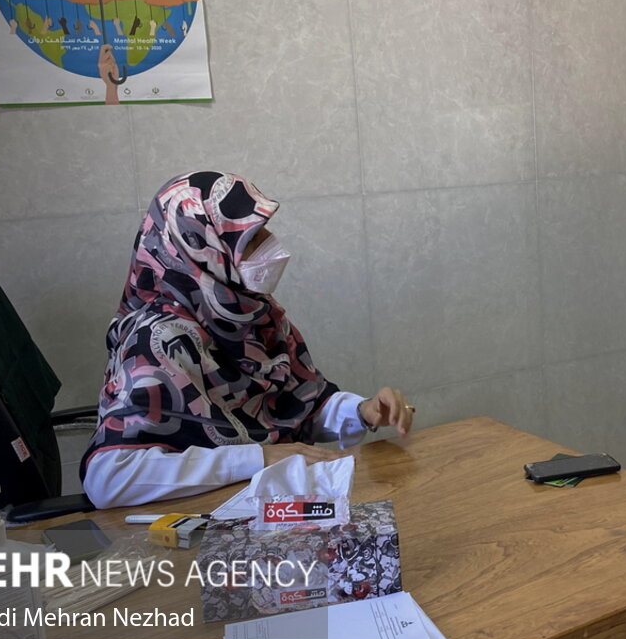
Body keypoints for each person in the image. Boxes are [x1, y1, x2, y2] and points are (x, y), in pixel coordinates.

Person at [80, 171, 415, 508]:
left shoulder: (256, 314)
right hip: (196, 527)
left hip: (275, 510)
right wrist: (258, 458)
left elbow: (302, 406)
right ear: (202, 246)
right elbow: (109, 478)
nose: (271, 244)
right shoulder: (156, 339)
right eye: (251, 238)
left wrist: (362, 410)